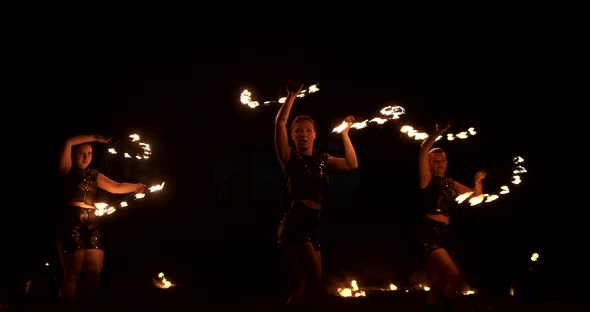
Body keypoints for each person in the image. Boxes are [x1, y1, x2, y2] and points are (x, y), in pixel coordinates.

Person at [274, 80, 359, 307]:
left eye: (307, 131)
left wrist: (345, 133)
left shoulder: (323, 160)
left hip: (315, 223)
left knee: (308, 287)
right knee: (316, 288)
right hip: (295, 223)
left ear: (314, 135)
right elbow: (279, 123)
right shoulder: (289, 158)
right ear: (292, 136)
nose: (303, 134)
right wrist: (292, 96)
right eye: (298, 131)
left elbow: (352, 164)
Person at [56, 134, 146, 312]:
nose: (86, 157)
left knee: (94, 273)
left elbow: (116, 187)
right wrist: (96, 138)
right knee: (73, 273)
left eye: (89, 153)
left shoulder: (94, 174)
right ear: (73, 154)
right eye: (82, 153)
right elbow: (68, 141)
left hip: (93, 223)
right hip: (72, 220)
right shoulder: (66, 169)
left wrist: (137, 187)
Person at [417, 122, 487, 312]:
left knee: (437, 284)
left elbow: (477, 197)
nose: (440, 164)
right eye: (435, 161)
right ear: (429, 164)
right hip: (430, 233)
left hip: (444, 234)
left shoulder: (450, 182)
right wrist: (437, 132)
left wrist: (477, 181)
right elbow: (424, 148)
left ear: (447, 162)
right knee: (454, 276)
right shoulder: (427, 180)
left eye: (443, 160)